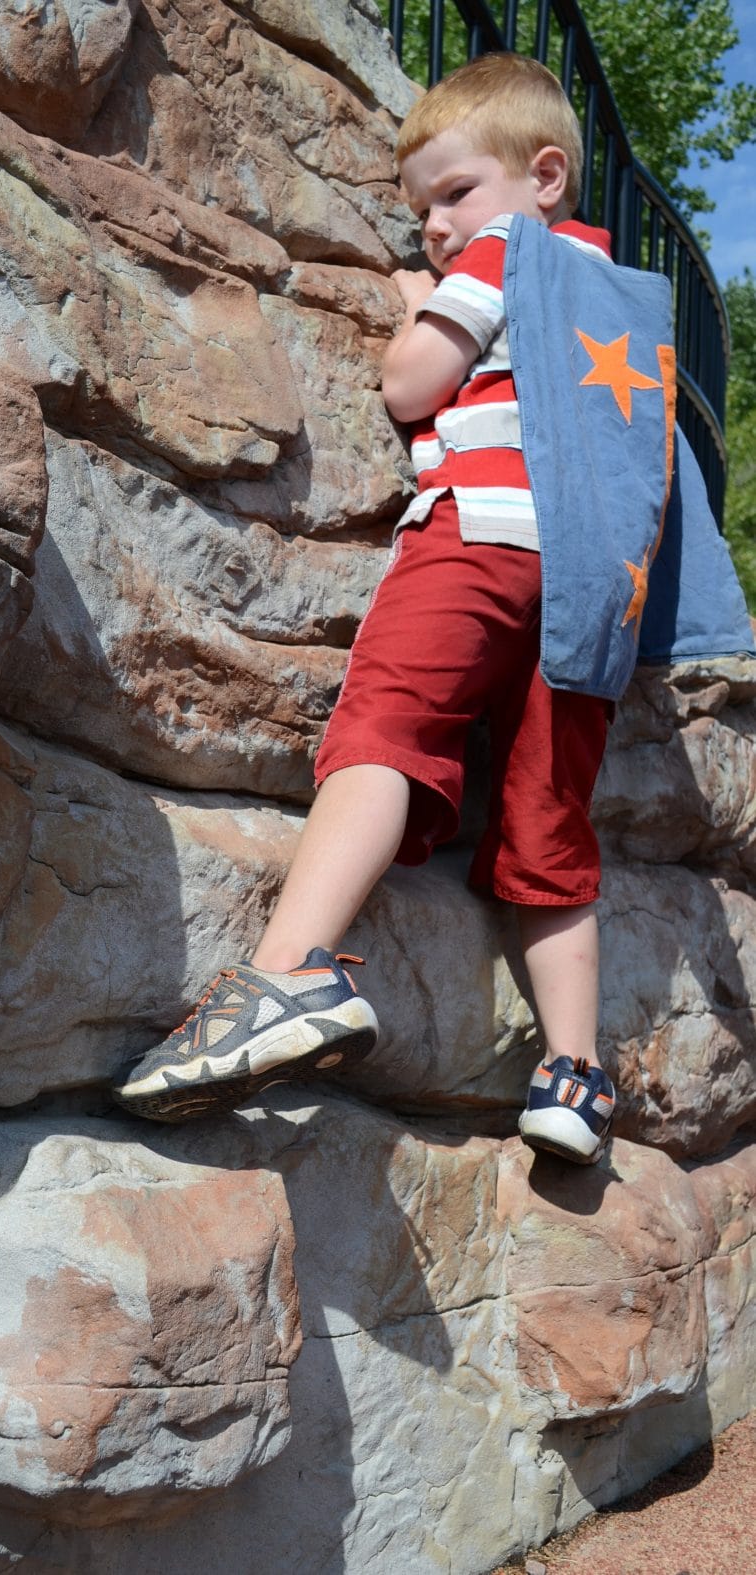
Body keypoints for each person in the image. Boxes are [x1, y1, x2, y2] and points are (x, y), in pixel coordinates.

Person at [110, 53, 678, 1163]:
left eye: (453, 192)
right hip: (593, 599)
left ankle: (286, 976)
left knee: (385, 728)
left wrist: (421, 312)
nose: (434, 225)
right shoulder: (620, 300)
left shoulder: (508, 253)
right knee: (548, 824)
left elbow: (412, 383)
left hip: (479, 543)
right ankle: (574, 1077)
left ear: (544, 176)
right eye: (420, 210)